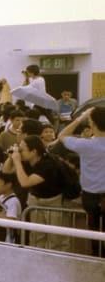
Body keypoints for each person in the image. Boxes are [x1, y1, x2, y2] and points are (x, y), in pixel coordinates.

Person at [6, 135, 71, 252]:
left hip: (53, 202)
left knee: (56, 239)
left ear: (34, 151)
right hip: (36, 200)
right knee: (36, 237)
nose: (20, 152)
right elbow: (6, 171)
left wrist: (16, 160)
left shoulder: (48, 164)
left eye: (22, 150)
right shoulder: (26, 160)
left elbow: (25, 182)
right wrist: (11, 157)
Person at [59, 107, 105, 257]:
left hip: (90, 195)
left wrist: (80, 118)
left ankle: (97, 257)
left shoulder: (85, 145)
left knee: (94, 230)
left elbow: (62, 135)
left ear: (92, 124)